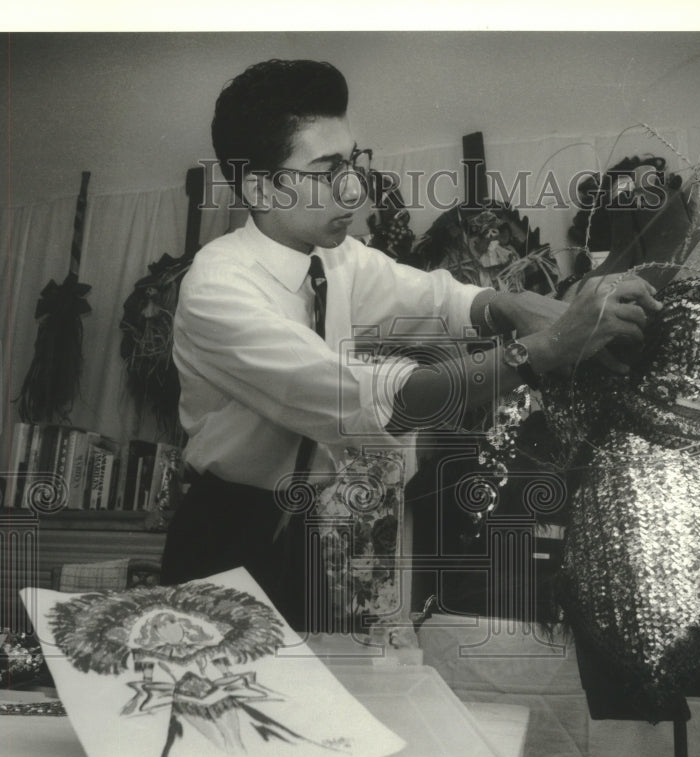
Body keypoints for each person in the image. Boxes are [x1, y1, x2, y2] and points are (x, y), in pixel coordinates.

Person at [160, 59, 661, 629]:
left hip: (317, 534)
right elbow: (377, 401)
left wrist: (513, 306)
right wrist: (545, 349)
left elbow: (438, 298)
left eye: (353, 163)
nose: (354, 188)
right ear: (260, 188)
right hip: (228, 537)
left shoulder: (336, 258)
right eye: (326, 171)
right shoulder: (217, 290)